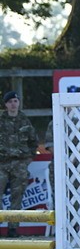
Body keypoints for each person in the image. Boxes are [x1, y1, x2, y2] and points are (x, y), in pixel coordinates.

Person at [0, 91, 38, 237]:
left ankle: (13, 229)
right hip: (2, 164)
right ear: (5, 104)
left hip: (19, 164)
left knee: (17, 197)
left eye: (15, 101)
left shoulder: (25, 121)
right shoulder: (1, 120)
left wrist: (27, 160)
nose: (13, 104)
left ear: (19, 103)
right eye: (10, 102)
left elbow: (33, 142)